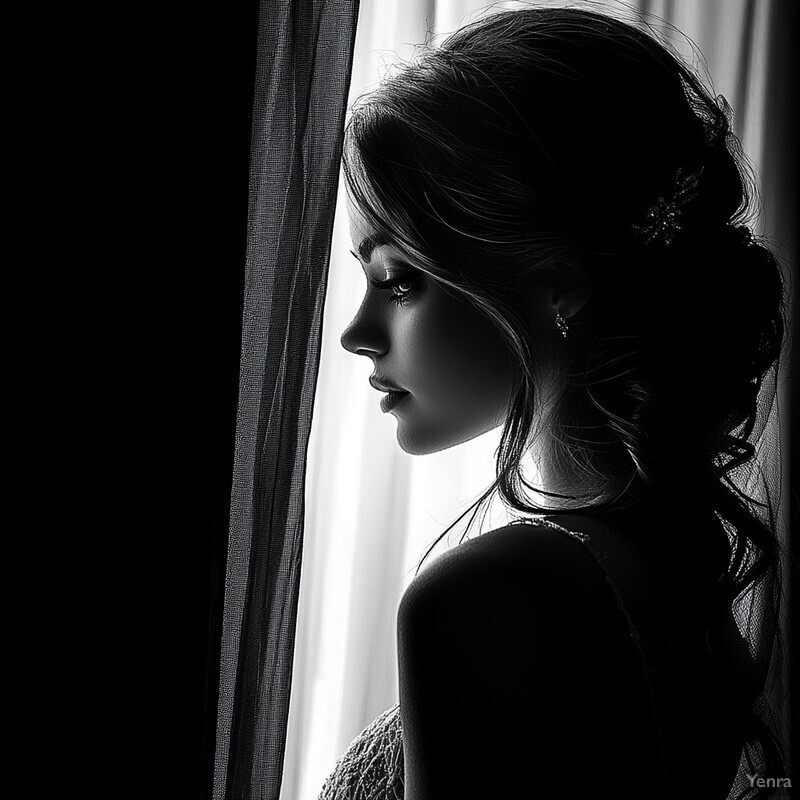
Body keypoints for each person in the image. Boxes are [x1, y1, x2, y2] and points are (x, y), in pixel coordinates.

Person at [320, 7, 788, 799]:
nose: (358, 335)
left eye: (400, 279)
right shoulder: (668, 561)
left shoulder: (493, 594)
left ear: (559, 281)